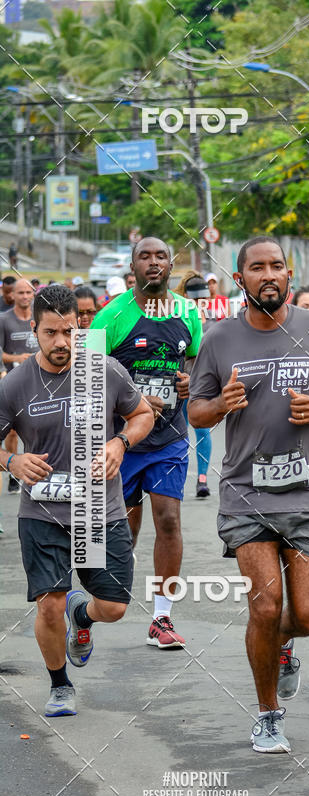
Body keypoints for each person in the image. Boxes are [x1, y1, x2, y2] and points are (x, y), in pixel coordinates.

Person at [188, 235, 309, 753]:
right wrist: (221, 406)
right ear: (240, 280)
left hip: (307, 495)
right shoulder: (219, 340)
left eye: (277, 266)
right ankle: (268, 715)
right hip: (246, 494)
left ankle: (281, 648)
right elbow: (195, 410)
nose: (269, 275)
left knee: (304, 616)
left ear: (288, 274)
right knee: (265, 607)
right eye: (256, 268)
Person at [0, 284, 154, 716]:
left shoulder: (104, 370)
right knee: (48, 605)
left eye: (69, 331)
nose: (62, 342)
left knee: (116, 607)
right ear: (35, 330)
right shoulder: (15, 385)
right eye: (50, 333)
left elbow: (142, 414)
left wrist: (120, 443)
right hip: (42, 513)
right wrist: (12, 461)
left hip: (99, 512)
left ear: (80, 326)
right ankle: (60, 684)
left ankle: (82, 616)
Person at [91, 237, 201, 649]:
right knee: (126, 531)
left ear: (171, 265)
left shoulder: (188, 311)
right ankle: (91, 606)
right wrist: (131, 404)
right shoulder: (110, 317)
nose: (154, 263)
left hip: (170, 437)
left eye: (161, 257)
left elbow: (194, 359)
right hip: (122, 440)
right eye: (145, 256)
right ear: (132, 267)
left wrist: (191, 381)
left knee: (169, 520)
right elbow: (85, 380)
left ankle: (161, 618)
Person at [175, 271, 214, 499]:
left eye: (204, 300)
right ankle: (175, 479)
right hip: (179, 384)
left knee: (202, 430)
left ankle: (202, 478)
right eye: (196, 300)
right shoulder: (177, 318)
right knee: (179, 433)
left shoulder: (213, 323)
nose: (200, 305)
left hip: (202, 386)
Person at [0, 278, 40, 493]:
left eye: (28, 292)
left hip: (40, 382)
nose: (25, 296)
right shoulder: (4, 320)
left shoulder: (38, 318)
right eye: (21, 293)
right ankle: (14, 472)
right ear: (12, 295)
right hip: (12, 381)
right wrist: (17, 357)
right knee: (13, 432)